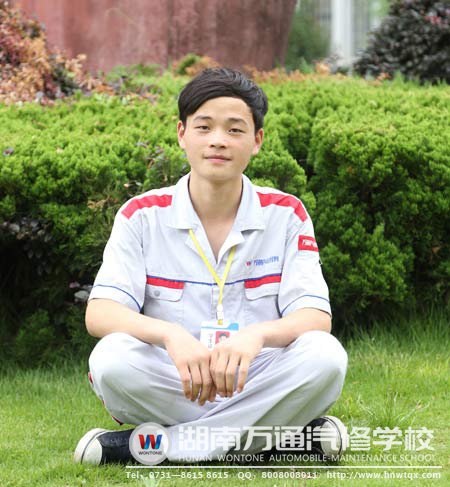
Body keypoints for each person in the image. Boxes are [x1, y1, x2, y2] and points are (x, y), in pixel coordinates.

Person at [74, 68, 348, 465]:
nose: (218, 140)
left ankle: (155, 447)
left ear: (257, 141)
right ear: (182, 134)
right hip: (176, 378)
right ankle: (280, 438)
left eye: (235, 130)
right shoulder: (141, 215)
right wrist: (170, 335)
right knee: (112, 359)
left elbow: (315, 316)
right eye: (204, 127)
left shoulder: (286, 213)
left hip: (258, 375)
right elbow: (101, 313)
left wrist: (255, 337)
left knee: (325, 356)